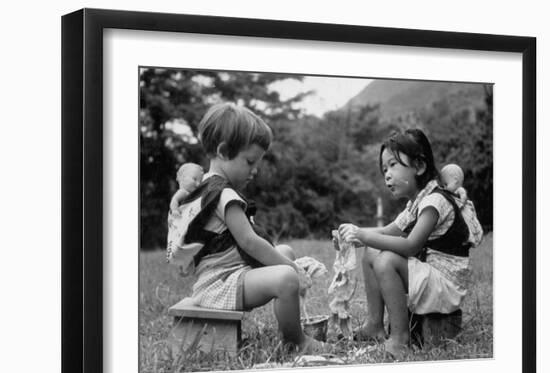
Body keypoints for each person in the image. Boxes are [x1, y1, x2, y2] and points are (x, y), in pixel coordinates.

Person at [171, 102, 329, 354]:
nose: (254, 170)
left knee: (285, 251)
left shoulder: (208, 187)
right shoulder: (223, 195)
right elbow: (250, 242)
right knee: (286, 277)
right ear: (223, 151)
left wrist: (289, 261)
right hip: (219, 284)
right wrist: (294, 270)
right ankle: (296, 342)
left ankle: (287, 329)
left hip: (228, 275)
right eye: (249, 161)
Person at [338, 129, 478, 359]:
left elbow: (411, 245)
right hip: (431, 275)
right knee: (373, 250)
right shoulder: (416, 202)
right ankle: (374, 325)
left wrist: (363, 235)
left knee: (387, 261)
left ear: (419, 167)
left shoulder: (434, 202)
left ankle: (400, 339)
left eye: (393, 165)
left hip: (446, 284)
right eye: (384, 169)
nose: (387, 175)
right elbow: (386, 232)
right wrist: (353, 238)